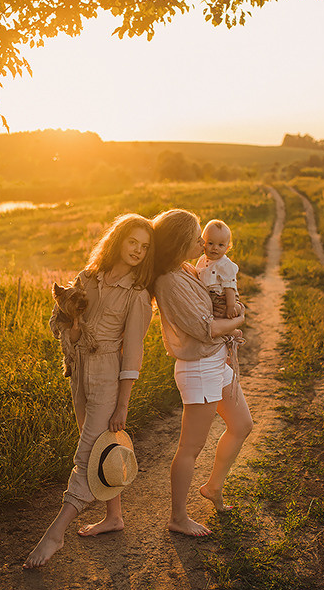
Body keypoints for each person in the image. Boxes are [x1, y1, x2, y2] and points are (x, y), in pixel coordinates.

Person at [23, 214, 154, 568]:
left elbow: (133, 353)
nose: (137, 251)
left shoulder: (138, 295)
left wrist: (123, 404)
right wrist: (72, 328)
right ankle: (114, 516)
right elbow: (61, 322)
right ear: (117, 240)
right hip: (78, 369)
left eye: (144, 247)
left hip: (108, 372)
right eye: (132, 242)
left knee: (86, 455)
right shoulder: (87, 277)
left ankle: (56, 533)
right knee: (98, 446)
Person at [152, 209, 253, 537]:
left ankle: (213, 486)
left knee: (242, 425)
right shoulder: (168, 281)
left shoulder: (186, 267)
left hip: (215, 360)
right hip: (198, 368)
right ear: (180, 242)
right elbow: (205, 328)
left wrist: (231, 308)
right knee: (190, 448)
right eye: (197, 236)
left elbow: (216, 300)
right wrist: (238, 321)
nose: (202, 241)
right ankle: (178, 517)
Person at [195, 219, 240, 318]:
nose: (215, 248)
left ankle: (231, 323)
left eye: (220, 245)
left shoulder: (225, 265)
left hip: (221, 298)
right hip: (207, 296)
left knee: (224, 313)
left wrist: (230, 306)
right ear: (203, 243)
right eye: (210, 243)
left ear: (227, 248)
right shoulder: (202, 260)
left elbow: (229, 287)